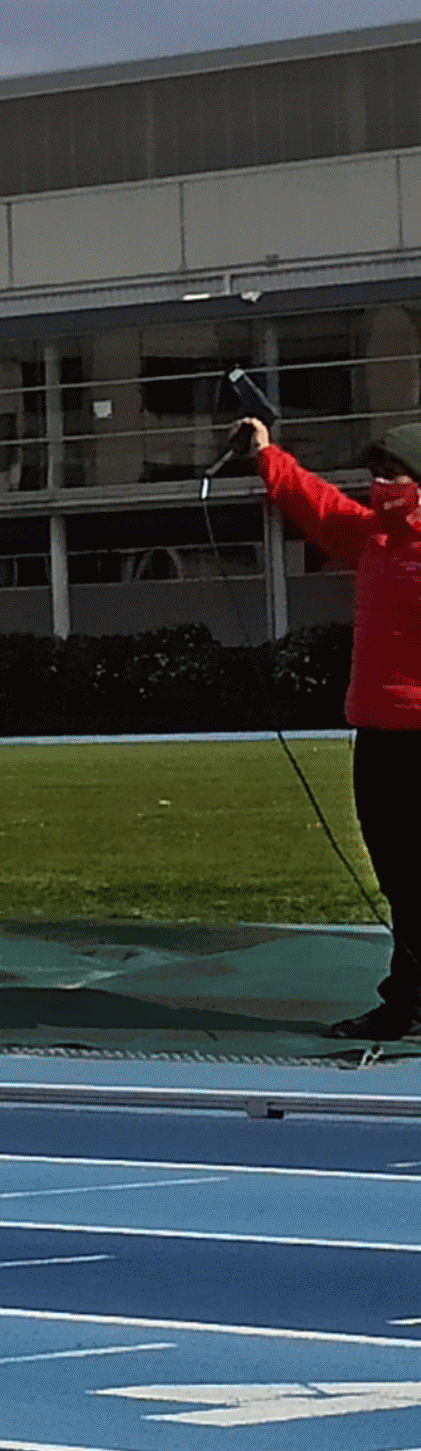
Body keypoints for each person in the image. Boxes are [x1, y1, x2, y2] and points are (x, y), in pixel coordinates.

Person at [238, 410, 421, 1039]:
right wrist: (268, 455)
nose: (380, 485)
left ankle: (406, 1004)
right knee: (399, 875)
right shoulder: (374, 538)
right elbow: (316, 504)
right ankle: (408, 1001)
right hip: (379, 736)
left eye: (393, 473)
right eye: (375, 474)